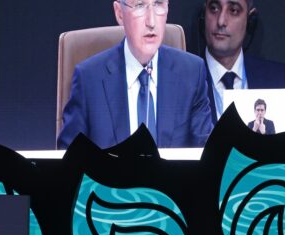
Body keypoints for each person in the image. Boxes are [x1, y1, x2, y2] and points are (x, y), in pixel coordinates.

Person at [57, 0, 213, 150]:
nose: (151, 21)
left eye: (158, 4)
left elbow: (205, 155)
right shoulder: (89, 80)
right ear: (119, 13)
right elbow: (70, 163)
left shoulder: (192, 74)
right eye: (140, 5)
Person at [201, 0, 285, 122]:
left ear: (250, 20)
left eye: (233, 10)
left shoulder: (278, 79)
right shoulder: (183, 80)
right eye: (214, 8)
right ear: (204, 14)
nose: (221, 21)